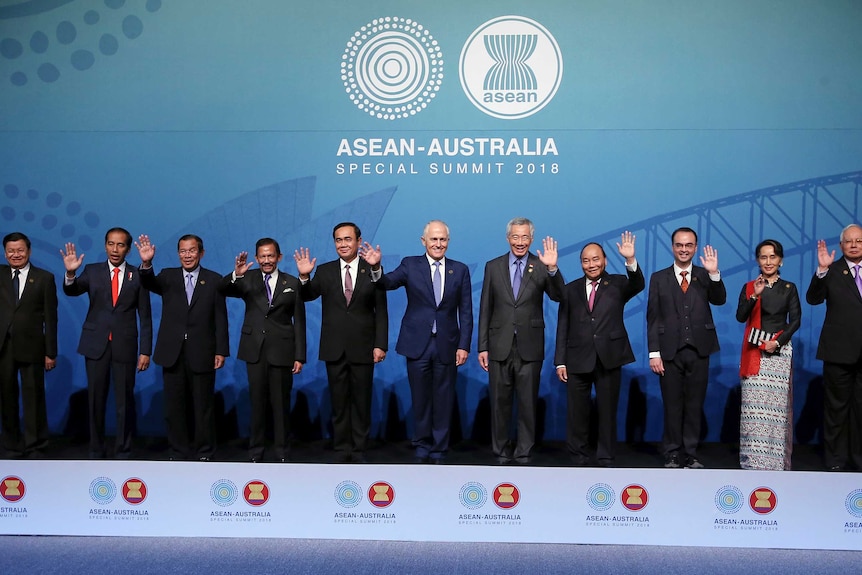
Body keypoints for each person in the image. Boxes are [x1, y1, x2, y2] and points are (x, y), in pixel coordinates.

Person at [361, 220, 472, 464]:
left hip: (447, 343)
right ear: (424, 241)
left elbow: (466, 312)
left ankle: (440, 448)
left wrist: (463, 345)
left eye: (443, 239)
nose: (438, 244)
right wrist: (376, 266)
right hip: (417, 343)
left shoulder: (460, 269)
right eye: (434, 239)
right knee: (420, 398)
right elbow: (386, 283)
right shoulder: (410, 265)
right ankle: (422, 444)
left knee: (443, 399)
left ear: (448, 242)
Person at [294, 222, 388, 463]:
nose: (343, 244)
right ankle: (342, 447)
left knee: (361, 401)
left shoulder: (373, 270)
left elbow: (382, 310)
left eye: (348, 239)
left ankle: (359, 448)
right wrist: (304, 276)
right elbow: (306, 295)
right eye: (338, 240)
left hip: (363, 346)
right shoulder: (324, 271)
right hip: (334, 347)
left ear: (358, 241)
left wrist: (380, 344)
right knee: (338, 400)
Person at [477, 217, 563, 465]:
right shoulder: (493, 267)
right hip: (499, 344)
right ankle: (501, 451)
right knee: (499, 404)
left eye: (525, 237)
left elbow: (559, 296)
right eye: (515, 237)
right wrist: (482, 345)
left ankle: (524, 451)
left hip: (530, 345)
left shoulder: (541, 265)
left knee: (527, 404)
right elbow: (485, 308)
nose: (520, 242)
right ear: (508, 238)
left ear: (532, 239)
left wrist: (552, 269)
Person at [136, 234, 229, 461]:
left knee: (203, 407)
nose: (187, 255)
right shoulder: (167, 277)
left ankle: (204, 452)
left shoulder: (214, 280)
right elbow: (148, 282)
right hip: (172, 352)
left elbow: (220, 318)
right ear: (178, 254)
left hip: (202, 351)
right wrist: (147, 263)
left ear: (201, 253)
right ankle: (178, 451)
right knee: (174, 407)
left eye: (192, 250)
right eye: (183, 251)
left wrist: (221, 350)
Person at [61, 228, 152, 459]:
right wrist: (70, 274)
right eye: (111, 244)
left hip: (125, 345)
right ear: (105, 246)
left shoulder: (137, 275)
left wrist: (145, 351)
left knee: (124, 401)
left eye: (120, 245)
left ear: (128, 249)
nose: (115, 249)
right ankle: (96, 449)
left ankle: (123, 449)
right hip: (95, 344)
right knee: (95, 400)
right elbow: (72, 291)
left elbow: (146, 316)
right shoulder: (92, 271)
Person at [554, 232, 643, 467]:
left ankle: (605, 456)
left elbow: (638, 283)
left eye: (595, 259)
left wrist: (630, 260)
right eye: (586, 260)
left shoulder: (619, 283)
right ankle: (578, 455)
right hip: (576, 358)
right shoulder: (570, 289)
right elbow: (563, 324)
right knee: (577, 413)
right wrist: (560, 361)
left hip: (609, 357)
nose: (591, 264)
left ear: (604, 260)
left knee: (607, 411)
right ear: (581, 263)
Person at [219, 238, 305, 463]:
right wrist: (236, 274)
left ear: (279, 257)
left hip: (282, 350)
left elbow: (300, 322)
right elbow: (222, 289)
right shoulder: (246, 278)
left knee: (280, 403)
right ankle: (256, 451)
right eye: (262, 256)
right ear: (257, 258)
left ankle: (282, 451)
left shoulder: (292, 283)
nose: (266, 260)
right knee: (257, 403)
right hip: (254, 349)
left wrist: (300, 355)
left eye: (271, 256)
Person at [647, 226, 725, 469]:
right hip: (669, 351)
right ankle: (672, 452)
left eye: (688, 245)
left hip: (699, 349)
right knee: (672, 405)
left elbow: (719, 299)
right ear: (673, 247)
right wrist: (654, 352)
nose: (684, 249)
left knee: (694, 405)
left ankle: (691, 453)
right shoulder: (659, 278)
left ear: (695, 247)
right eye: (679, 245)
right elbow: (653, 317)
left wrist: (714, 274)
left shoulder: (705, 275)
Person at [736, 239, 801, 470]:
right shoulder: (749, 286)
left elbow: (795, 321)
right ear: (757, 260)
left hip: (778, 355)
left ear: (780, 260)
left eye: (773, 257)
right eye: (763, 257)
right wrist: (755, 295)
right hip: (754, 353)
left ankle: (774, 463)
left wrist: (778, 342)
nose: (768, 261)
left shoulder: (788, 288)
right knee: (753, 410)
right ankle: (753, 462)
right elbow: (740, 317)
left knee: (776, 411)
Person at [806, 224, 862, 471]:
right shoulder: (832, 269)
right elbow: (813, 298)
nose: (853, 245)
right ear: (841, 246)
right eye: (848, 241)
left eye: (859, 241)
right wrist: (822, 270)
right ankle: (835, 461)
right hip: (838, 352)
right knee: (836, 410)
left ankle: (858, 459)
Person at [0, 232, 58, 459]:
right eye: (11, 251)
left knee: (34, 397)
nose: (16, 255)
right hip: (3, 348)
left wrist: (50, 352)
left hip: (33, 347)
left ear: (29, 251)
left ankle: (36, 445)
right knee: (6, 397)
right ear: (5, 253)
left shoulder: (44, 278)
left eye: (20, 250)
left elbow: (51, 319)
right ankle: (12, 445)